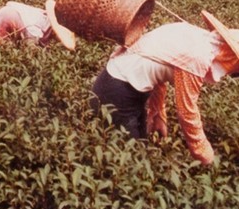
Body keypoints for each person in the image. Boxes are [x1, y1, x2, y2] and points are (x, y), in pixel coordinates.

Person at [90, 10, 239, 165]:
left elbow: (159, 73)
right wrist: (204, 153)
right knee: (130, 160)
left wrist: (158, 114)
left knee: (140, 149)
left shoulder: (194, 37)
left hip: (124, 89)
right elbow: (187, 111)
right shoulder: (198, 57)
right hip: (116, 93)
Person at [0, 0, 76, 51]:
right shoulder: (36, 29)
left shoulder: (44, 17)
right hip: (3, 22)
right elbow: (30, 49)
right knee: (3, 50)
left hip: (5, 15)